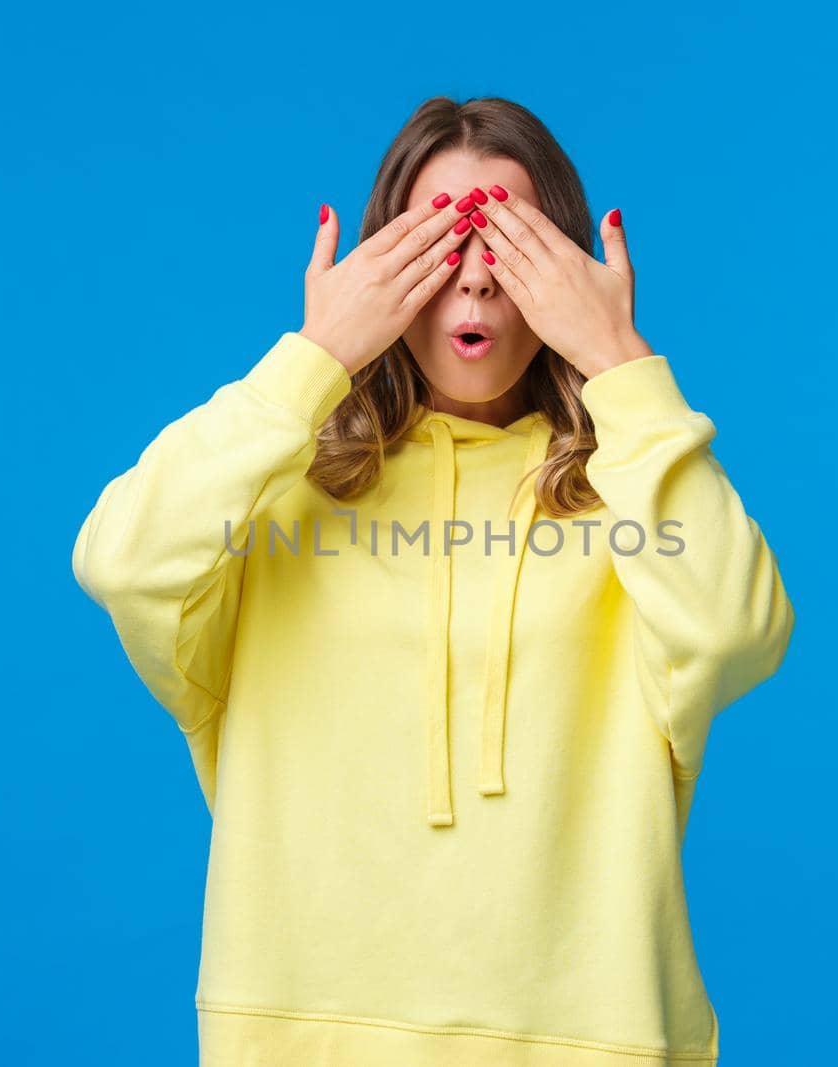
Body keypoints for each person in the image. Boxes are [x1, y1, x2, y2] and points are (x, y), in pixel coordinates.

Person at [71, 95, 794, 1066]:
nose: (477, 282)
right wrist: (314, 358)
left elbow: (736, 628)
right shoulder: (276, 493)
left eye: (512, 239)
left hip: (597, 1036)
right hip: (299, 1035)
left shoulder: (633, 493)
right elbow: (122, 559)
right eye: (437, 240)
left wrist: (619, 360)